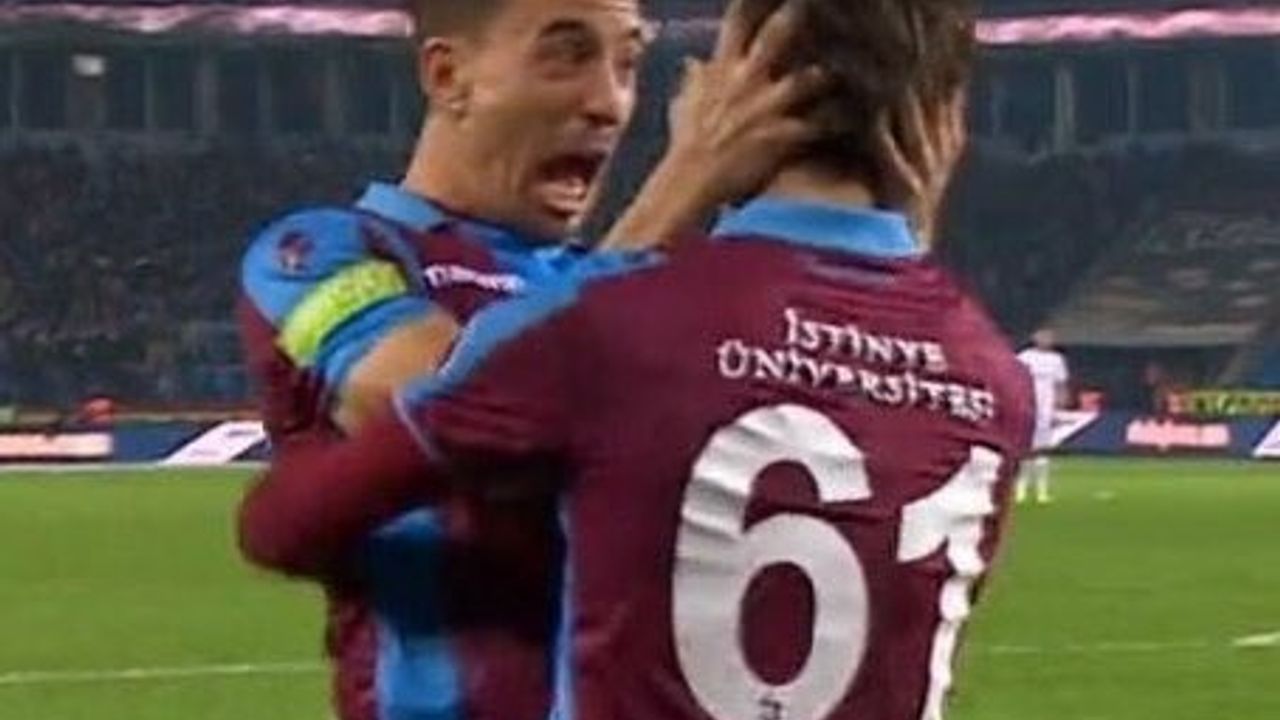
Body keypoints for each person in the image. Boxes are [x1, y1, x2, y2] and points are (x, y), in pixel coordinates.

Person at [240, 0, 1036, 719]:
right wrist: (687, 180)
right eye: (566, 55)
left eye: (628, 63)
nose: (610, 102)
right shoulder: (320, 252)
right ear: (448, 76)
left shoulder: (646, 301)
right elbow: (445, 395)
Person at [1016, 328, 1070, 504]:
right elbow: (1015, 380)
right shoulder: (1025, 357)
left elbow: (1061, 384)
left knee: (1042, 449)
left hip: (1046, 408)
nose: (1046, 340)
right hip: (1027, 405)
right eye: (1043, 336)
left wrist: (1060, 405)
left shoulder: (1057, 359)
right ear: (1035, 338)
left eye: (1049, 337)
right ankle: (1021, 489)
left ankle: (1042, 490)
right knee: (1025, 448)